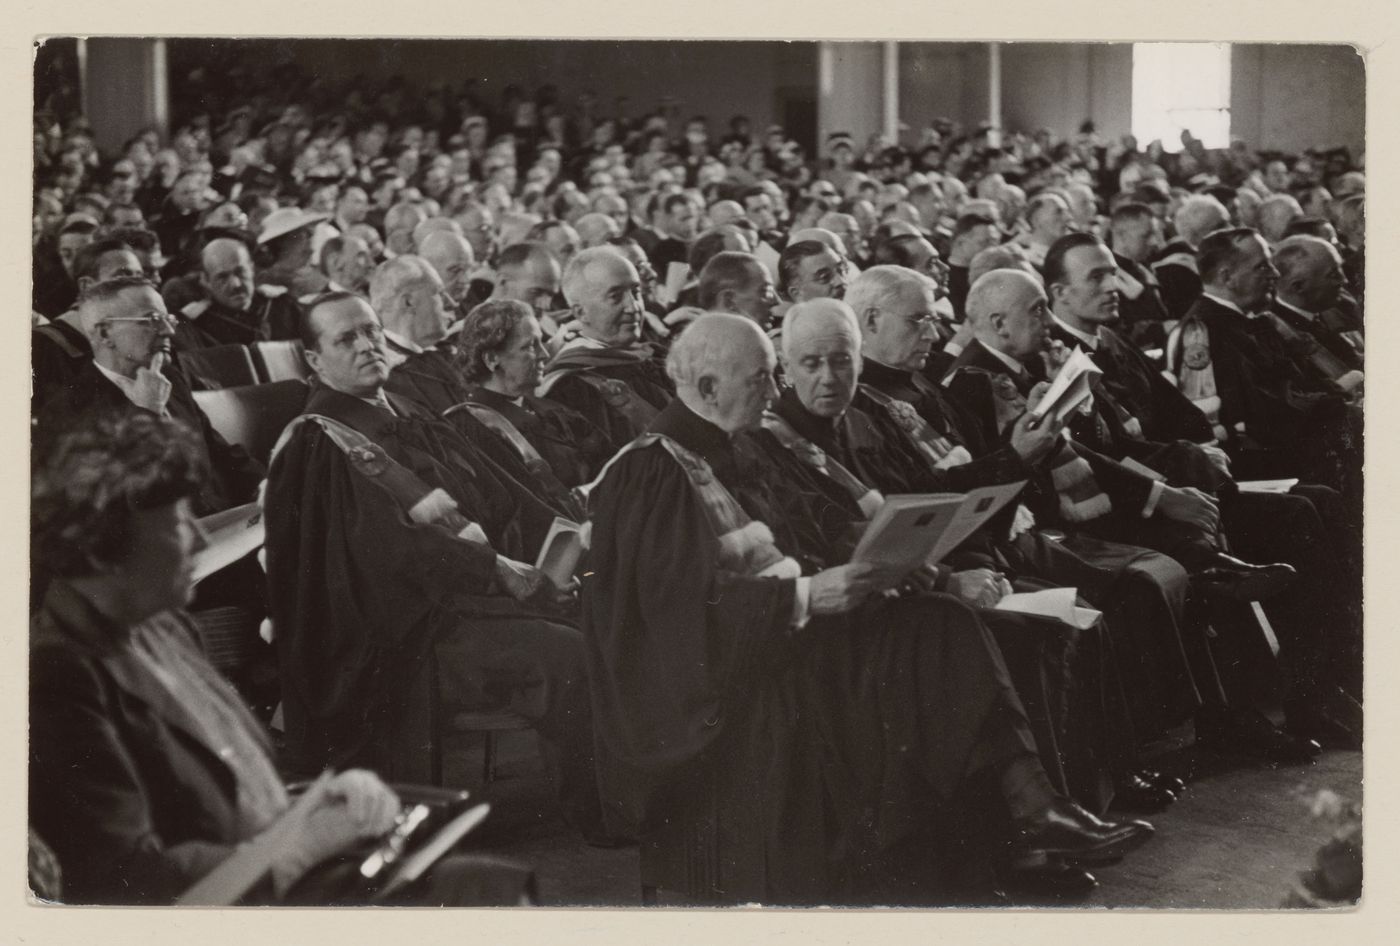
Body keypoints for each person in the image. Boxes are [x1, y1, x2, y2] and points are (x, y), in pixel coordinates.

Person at [583, 312, 1154, 905]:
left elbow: (810, 527)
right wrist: (806, 595)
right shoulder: (652, 472)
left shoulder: (735, 445)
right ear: (707, 388)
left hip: (784, 643)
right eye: (763, 379)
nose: (777, 392)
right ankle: (1025, 821)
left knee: (949, 621)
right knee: (935, 635)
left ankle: (1026, 825)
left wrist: (889, 559)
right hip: (730, 686)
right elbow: (674, 617)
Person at [30, 410, 534, 906]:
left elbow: (234, 783)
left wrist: (316, 798)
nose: (201, 539)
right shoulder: (58, 676)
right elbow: (127, 878)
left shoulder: (164, 624)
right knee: (486, 895)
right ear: (105, 546)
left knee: (496, 884)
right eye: (179, 523)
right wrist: (297, 847)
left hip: (279, 877)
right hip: (235, 910)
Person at [263, 293, 601, 838]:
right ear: (313, 361)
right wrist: (498, 573)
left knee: (601, 615)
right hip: (406, 636)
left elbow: (497, 492)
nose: (367, 345)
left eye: (371, 331)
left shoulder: (404, 411)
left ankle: (609, 795)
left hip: (464, 601)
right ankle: (604, 817)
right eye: (345, 339)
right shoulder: (320, 442)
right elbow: (392, 558)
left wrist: (562, 551)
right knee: (571, 657)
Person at [944, 270, 1319, 762]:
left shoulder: (1017, 364)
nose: (1049, 321)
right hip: (1040, 523)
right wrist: (1157, 495)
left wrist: (1160, 488)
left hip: (1064, 506)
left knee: (1196, 539)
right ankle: (1222, 715)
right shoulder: (978, 379)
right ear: (998, 323)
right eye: (1037, 310)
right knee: (1183, 549)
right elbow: (1047, 459)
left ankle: (1233, 710)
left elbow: (1086, 446)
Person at [1043, 233, 1361, 746]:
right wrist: (1185, 463)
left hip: (1189, 483)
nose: (1114, 285)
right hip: (1148, 502)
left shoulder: (1111, 341)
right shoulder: (1058, 356)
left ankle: (1325, 686)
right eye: (1096, 277)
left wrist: (1199, 447)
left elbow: (1182, 413)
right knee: (1297, 513)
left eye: (1112, 272)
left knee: (1318, 502)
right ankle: (1289, 702)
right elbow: (1098, 454)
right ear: (1059, 294)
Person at [36, 276, 263, 518]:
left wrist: (271, 489)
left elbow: (223, 455)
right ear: (104, 334)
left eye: (168, 319)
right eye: (152, 320)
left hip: (220, 522)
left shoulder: (170, 379)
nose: (169, 330)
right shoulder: (71, 409)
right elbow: (118, 506)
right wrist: (148, 414)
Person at [1169, 227, 1362, 502]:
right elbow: (1253, 417)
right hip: (1250, 463)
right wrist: (1333, 399)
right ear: (1227, 277)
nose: (1274, 273)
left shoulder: (1253, 322)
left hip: (1284, 444)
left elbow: (1292, 386)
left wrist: (1331, 397)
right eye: (1262, 266)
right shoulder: (1202, 332)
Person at [448, 299, 613, 506]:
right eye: (530, 346)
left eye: (541, 342)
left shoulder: (553, 410)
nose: (544, 354)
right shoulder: (474, 427)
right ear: (491, 358)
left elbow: (612, 463)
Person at [538, 246, 675, 444]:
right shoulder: (571, 388)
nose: (633, 306)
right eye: (615, 296)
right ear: (581, 312)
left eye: (636, 292)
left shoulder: (656, 356)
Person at [33, 237, 146, 412]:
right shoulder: (46, 344)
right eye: (123, 275)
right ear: (86, 285)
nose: (137, 286)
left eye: (139, 276)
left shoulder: (140, 337)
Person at [369, 255, 467, 414]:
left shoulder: (440, 353)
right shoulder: (387, 376)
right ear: (408, 302)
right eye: (439, 293)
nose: (451, 303)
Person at [170, 237, 302, 349]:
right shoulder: (198, 326)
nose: (236, 284)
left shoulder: (283, 305)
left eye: (240, 272)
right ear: (206, 280)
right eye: (222, 277)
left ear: (251, 268)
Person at [1266, 235, 1364, 382]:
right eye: (1333, 274)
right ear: (1298, 286)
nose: (1344, 280)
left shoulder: (1327, 310)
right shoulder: (1276, 338)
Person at [1106, 202, 1170, 349]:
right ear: (1121, 236)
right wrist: (1160, 329)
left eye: (1154, 234)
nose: (1154, 242)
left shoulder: (1144, 267)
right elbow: (1112, 332)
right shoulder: (1107, 275)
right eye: (1146, 235)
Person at [1153, 194, 1228, 320]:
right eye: (1220, 226)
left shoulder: (1218, 257)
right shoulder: (1177, 270)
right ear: (1199, 233)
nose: (1230, 230)